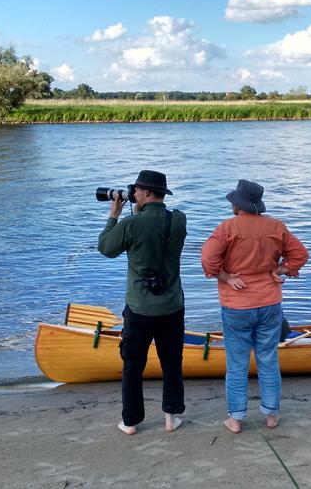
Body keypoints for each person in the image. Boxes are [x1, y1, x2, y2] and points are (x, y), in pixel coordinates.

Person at [201, 179, 309, 433]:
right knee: (268, 359)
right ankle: (271, 415)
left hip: (237, 305)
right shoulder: (276, 226)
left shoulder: (228, 228)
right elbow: (301, 254)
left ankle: (236, 419)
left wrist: (226, 277)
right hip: (270, 302)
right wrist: (281, 268)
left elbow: (208, 259)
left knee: (237, 363)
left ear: (238, 207)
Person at [98, 170, 187, 435]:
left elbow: (106, 248)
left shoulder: (130, 224)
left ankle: (131, 421)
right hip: (172, 305)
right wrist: (138, 213)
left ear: (146, 193)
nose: (132, 194)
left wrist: (114, 214)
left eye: (136, 190)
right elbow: (156, 233)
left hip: (139, 308)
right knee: (171, 362)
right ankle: (171, 417)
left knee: (133, 365)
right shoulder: (179, 220)